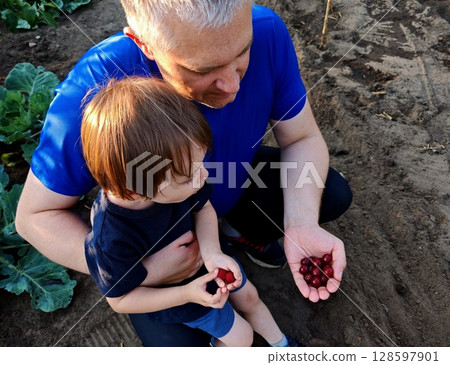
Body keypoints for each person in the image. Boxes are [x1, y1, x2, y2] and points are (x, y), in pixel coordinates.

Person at [15, 0, 352, 346]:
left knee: (329, 193)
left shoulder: (266, 29)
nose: (232, 86)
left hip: (212, 187)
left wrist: (301, 223)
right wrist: (146, 272)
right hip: (156, 242)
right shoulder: (98, 90)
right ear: (143, 43)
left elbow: (302, 137)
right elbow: (34, 217)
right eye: (203, 69)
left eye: (243, 52)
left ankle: (235, 233)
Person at [81, 76, 299, 347]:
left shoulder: (170, 176)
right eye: (189, 177)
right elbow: (121, 299)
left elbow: (204, 209)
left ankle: (282, 347)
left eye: (201, 164)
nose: (204, 175)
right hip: (180, 295)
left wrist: (211, 253)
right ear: (136, 191)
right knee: (241, 338)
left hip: (208, 263)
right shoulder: (111, 239)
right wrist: (186, 294)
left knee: (250, 297)